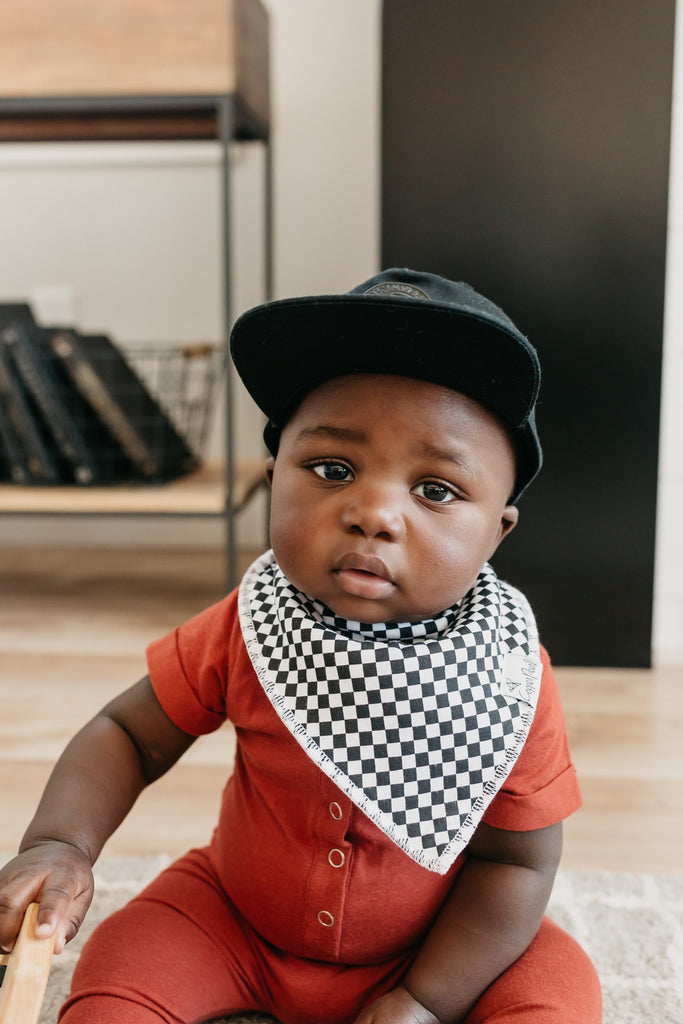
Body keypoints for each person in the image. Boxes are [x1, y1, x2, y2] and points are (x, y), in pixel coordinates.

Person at [0, 269, 601, 1024]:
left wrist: (423, 1001)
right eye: (332, 469)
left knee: (558, 988)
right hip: (235, 923)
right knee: (119, 969)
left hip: (436, 947)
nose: (373, 512)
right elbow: (127, 732)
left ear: (496, 533)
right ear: (273, 477)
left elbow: (517, 862)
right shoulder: (252, 622)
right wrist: (62, 842)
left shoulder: (508, 680)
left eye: (436, 489)